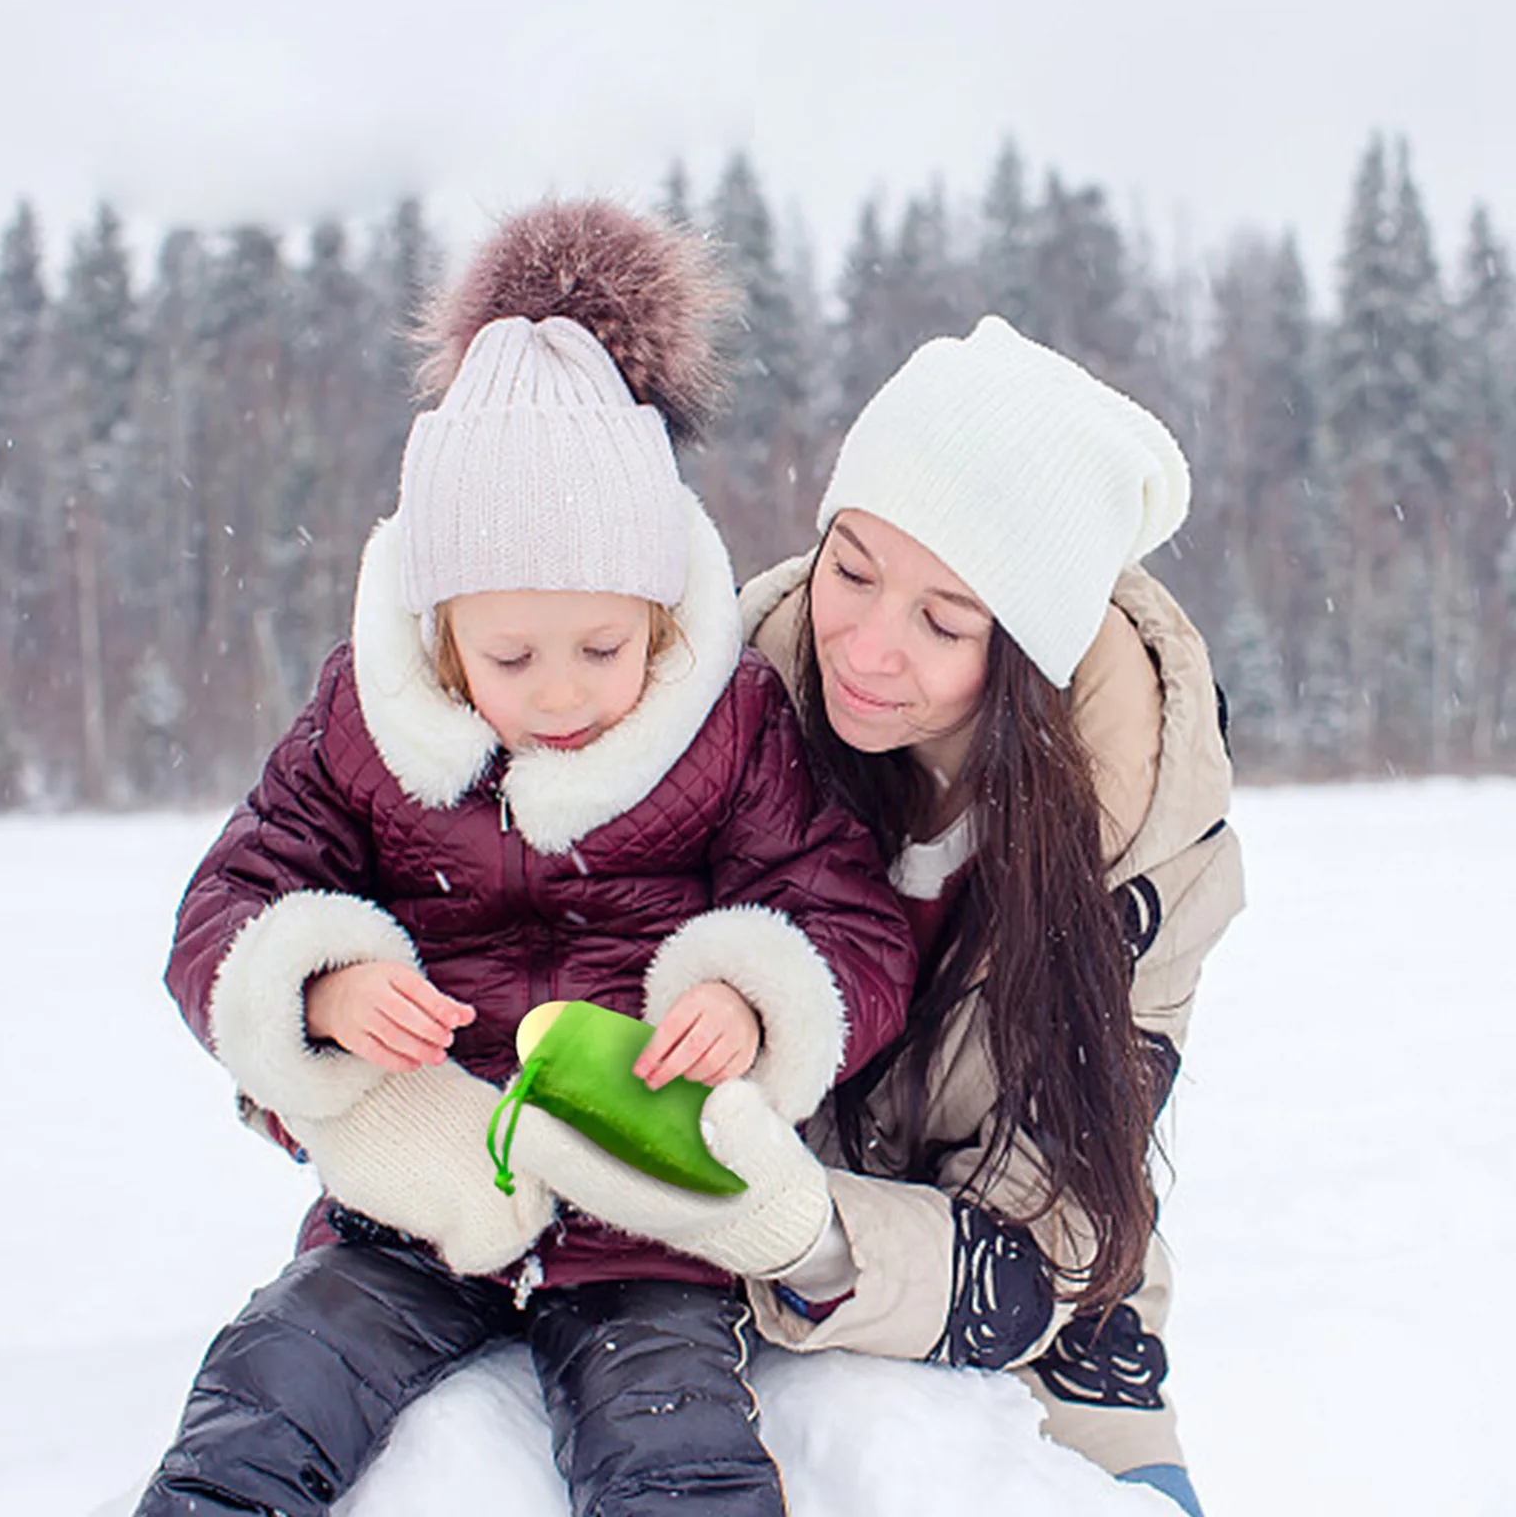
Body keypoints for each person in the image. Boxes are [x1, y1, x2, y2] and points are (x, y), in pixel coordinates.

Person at [134, 201, 917, 1517]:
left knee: (676, 1454)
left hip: (645, 1226)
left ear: (660, 613)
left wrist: (751, 997)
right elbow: (227, 907)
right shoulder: (362, 728)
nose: (560, 692)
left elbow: (845, 916)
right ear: (442, 634)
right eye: (510, 657)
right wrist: (316, 988)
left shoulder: (725, 727)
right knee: (271, 1389)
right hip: (411, 1208)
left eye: (601, 650)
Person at [516, 315, 1245, 1516]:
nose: (862, 645)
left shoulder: (1150, 842)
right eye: (850, 570)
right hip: (705, 1267)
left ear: (1030, 654)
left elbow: (1059, 1228)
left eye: (944, 620)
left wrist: (807, 1232)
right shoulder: (713, 704)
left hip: (1028, 1298)